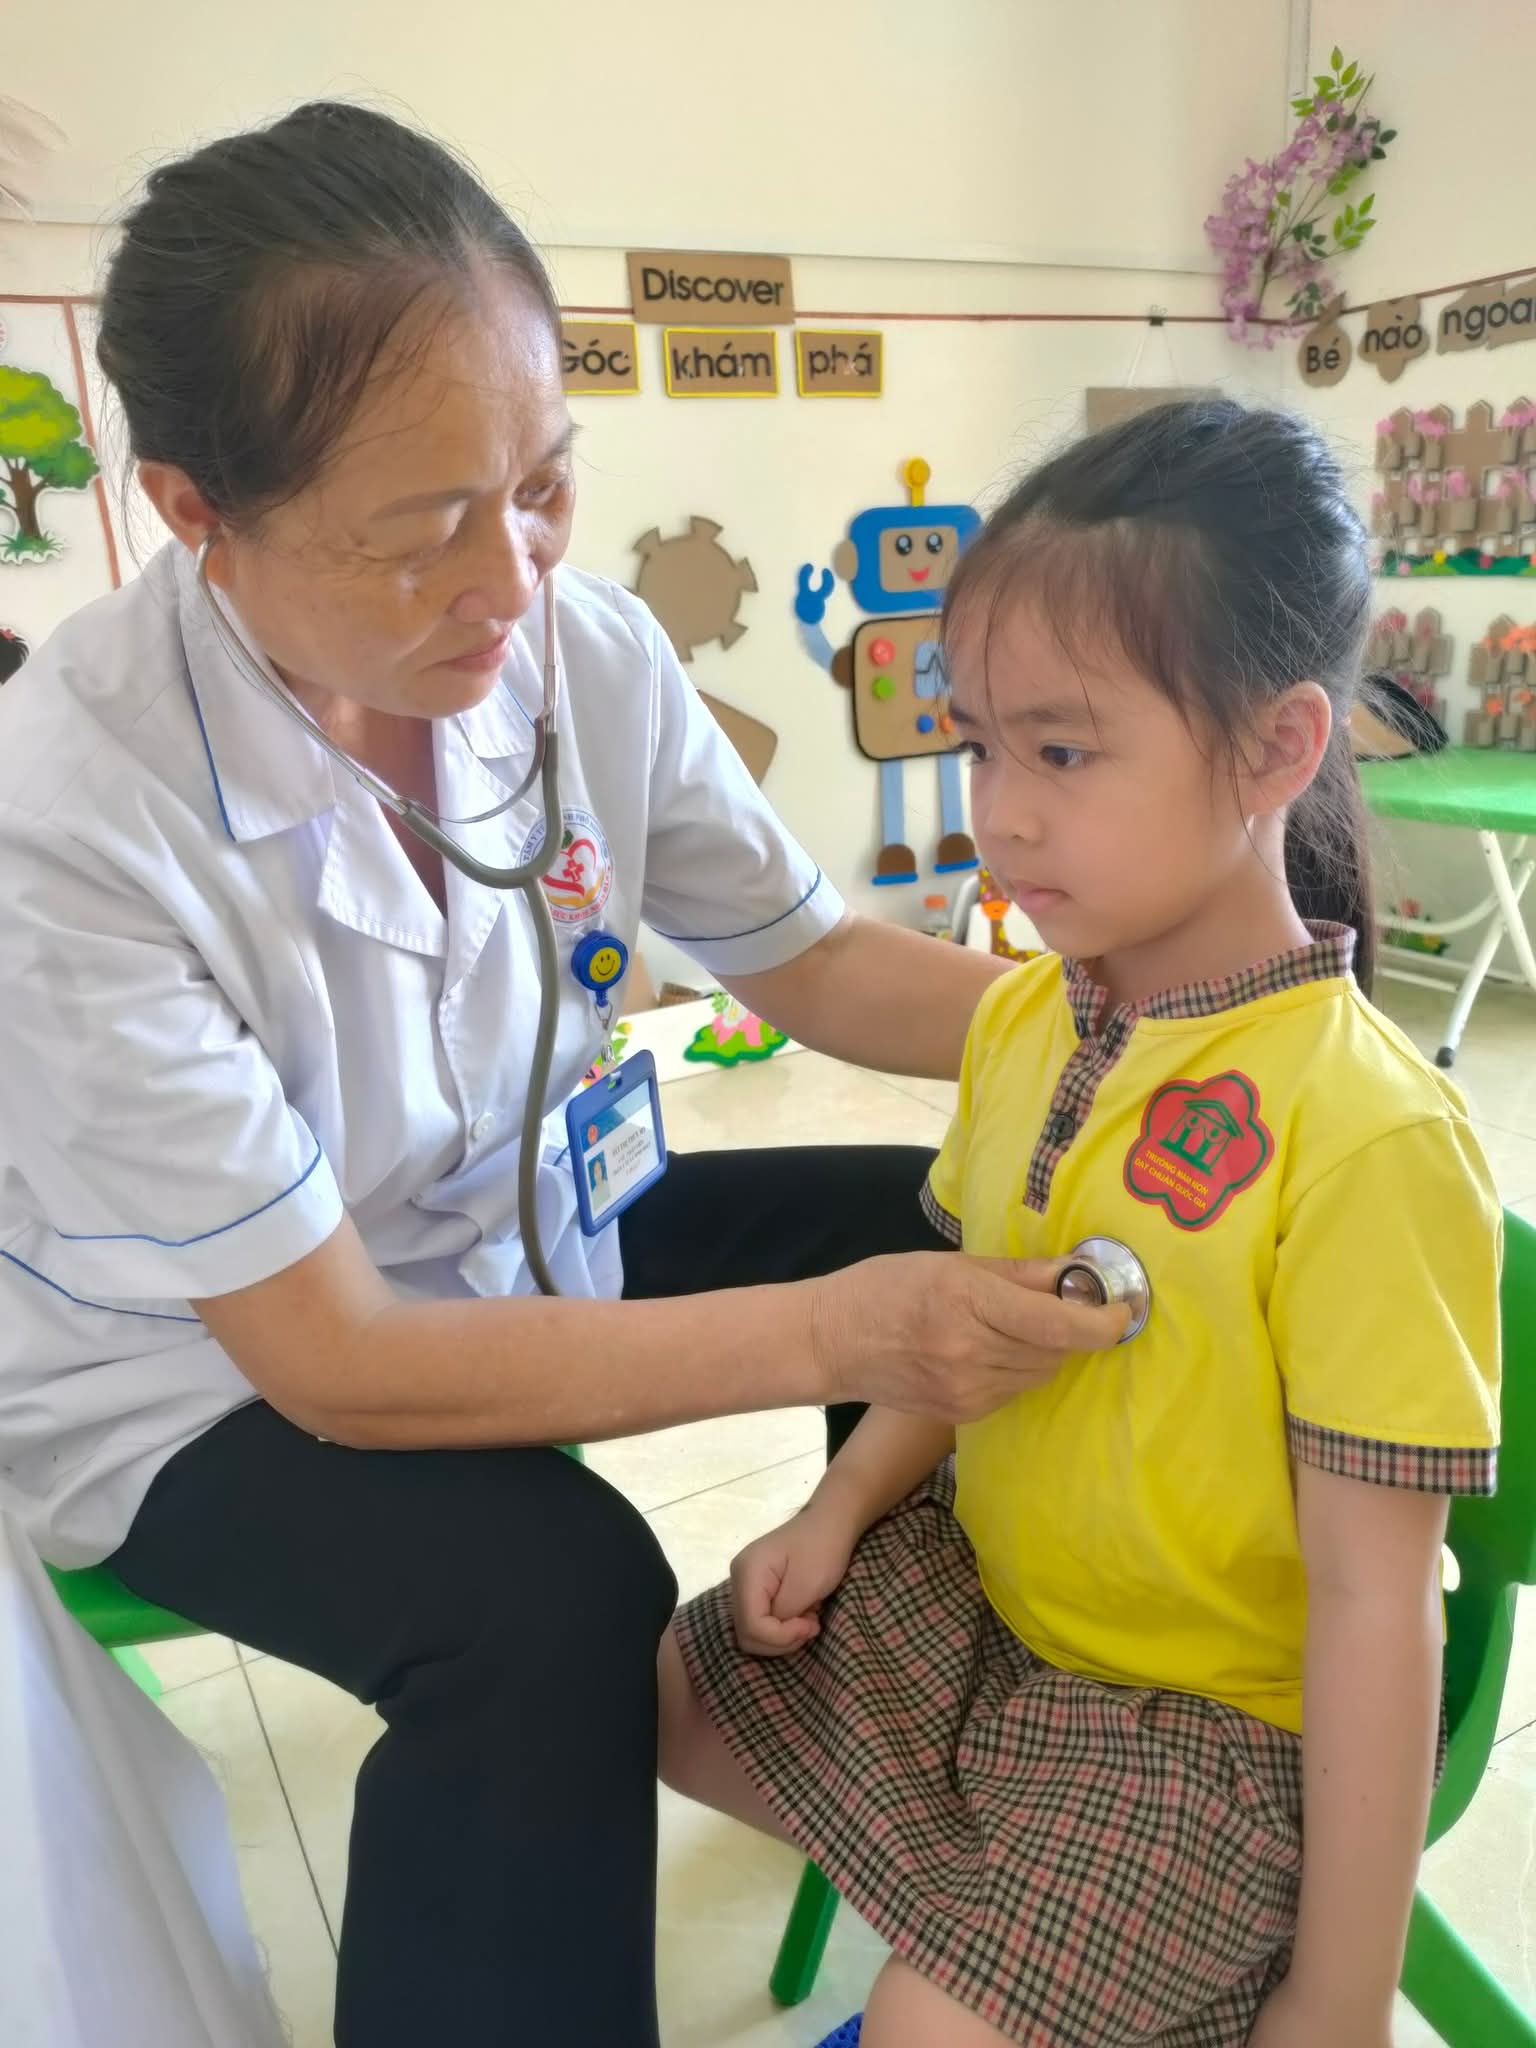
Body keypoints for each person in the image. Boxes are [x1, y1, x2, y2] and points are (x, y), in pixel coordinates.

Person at [0, 103, 1128, 2048]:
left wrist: (1149, 1021)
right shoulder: (72, 817)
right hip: (193, 1363)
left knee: (954, 1215)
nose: (507, 580)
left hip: (513, 1211)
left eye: (542, 484)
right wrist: (845, 1330)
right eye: (417, 529)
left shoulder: (577, 651)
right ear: (194, 510)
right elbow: (339, 1359)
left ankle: (904, 1749)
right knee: (548, 1604)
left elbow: (815, 961)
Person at [661, 400, 1504, 2048]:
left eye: (1062, 752)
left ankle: (1077, 1957)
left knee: (929, 2025)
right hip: (1001, 1608)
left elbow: (1374, 1601)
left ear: (1276, 750)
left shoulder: (1368, 1136)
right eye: (979, 743)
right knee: (671, 1700)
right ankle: (1034, 1939)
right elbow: (960, 1342)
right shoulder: (1022, 1022)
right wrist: (838, 1506)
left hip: (1216, 1723)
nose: (1002, 811)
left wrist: (1339, 2004)